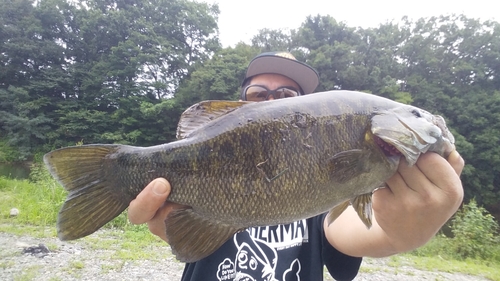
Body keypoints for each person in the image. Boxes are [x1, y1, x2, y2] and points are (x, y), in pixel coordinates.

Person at [128, 52, 464, 280]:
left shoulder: (327, 199)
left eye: (287, 94)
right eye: (259, 93)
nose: (272, 100)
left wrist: (401, 233)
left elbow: (354, 230)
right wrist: (173, 222)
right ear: (240, 102)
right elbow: (189, 233)